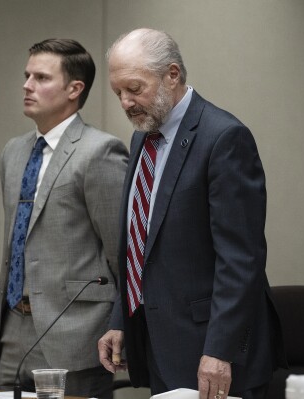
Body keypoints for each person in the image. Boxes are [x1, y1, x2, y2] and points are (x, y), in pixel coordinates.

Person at [98, 28, 285, 399]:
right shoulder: (142, 137)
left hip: (212, 353)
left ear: (172, 74)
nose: (125, 102)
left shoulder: (224, 137)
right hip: (159, 344)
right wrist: (122, 318)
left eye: (134, 88)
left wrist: (220, 350)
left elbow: (241, 259)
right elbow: (140, 245)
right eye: (117, 92)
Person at [0, 38, 128, 399]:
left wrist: (122, 327)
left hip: (75, 332)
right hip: (13, 327)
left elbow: (124, 255)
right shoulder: (13, 151)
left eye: (40, 77)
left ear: (74, 89)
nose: (27, 85)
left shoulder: (100, 152)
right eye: (27, 75)